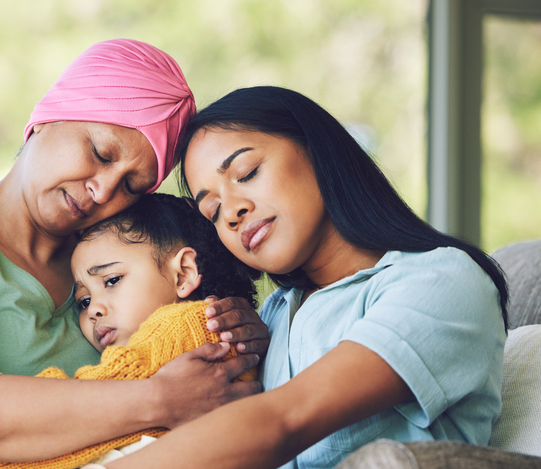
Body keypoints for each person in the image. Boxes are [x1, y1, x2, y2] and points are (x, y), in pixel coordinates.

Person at [0, 40, 267, 469]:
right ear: (50, 113)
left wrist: (238, 328)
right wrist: (162, 398)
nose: (104, 190)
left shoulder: (116, 260)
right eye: (101, 153)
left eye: (130, 186)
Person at [82, 86, 509, 469]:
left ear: (317, 151)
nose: (231, 212)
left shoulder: (440, 281)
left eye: (246, 173)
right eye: (212, 211)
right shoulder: (274, 317)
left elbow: (285, 420)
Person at [0, 193, 261, 469]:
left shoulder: (185, 327)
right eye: (83, 301)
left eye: (112, 280)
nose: (93, 310)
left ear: (184, 273)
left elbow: (66, 421)